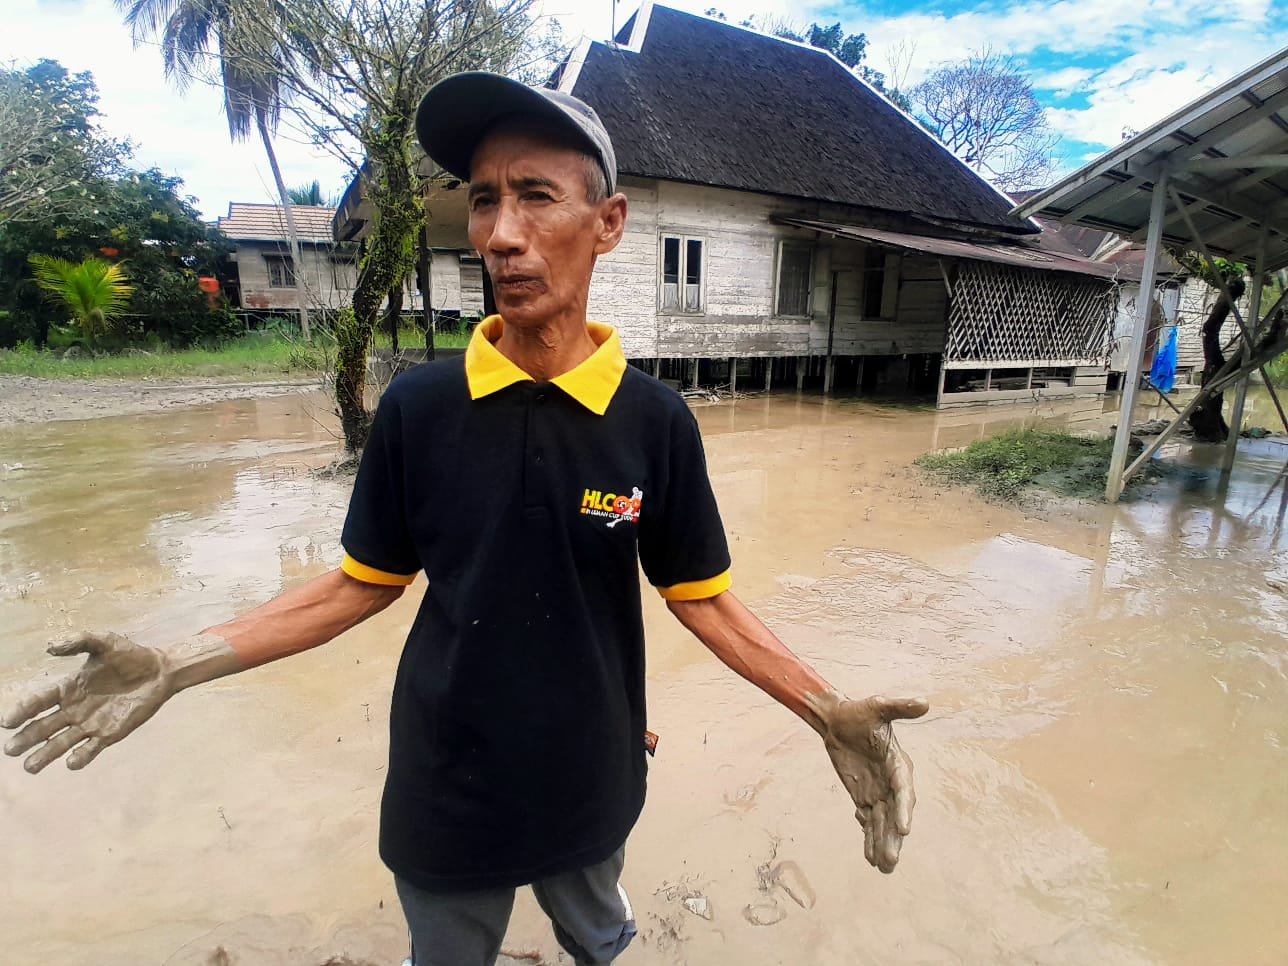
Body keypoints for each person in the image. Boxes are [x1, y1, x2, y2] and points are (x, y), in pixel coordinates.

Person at [0, 72, 929, 966]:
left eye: (537, 197)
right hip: (445, 781)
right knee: (445, 951)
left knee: (601, 936)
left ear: (608, 225)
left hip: (593, 767)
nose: (503, 235)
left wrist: (824, 709)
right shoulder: (420, 409)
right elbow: (359, 587)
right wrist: (179, 657)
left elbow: (704, 600)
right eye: (485, 201)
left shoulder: (655, 422)